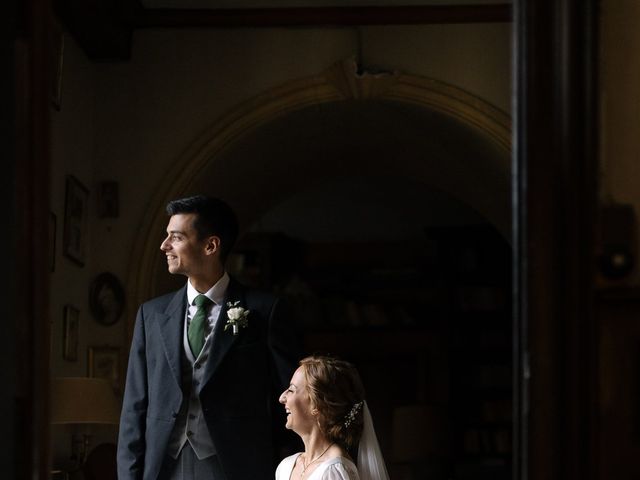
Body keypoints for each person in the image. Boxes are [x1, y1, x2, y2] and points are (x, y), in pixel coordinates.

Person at [117, 195, 298, 480]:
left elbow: (289, 399)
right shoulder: (150, 315)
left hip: (235, 467)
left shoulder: (265, 310)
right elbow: (134, 406)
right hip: (163, 466)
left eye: (175, 237)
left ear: (211, 245)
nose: (164, 246)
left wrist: (286, 468)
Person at [276, 356, 389, 480]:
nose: (282, 398)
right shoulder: (286, 466)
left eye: (291, 390)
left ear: (317, 405)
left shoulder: (333, 471)